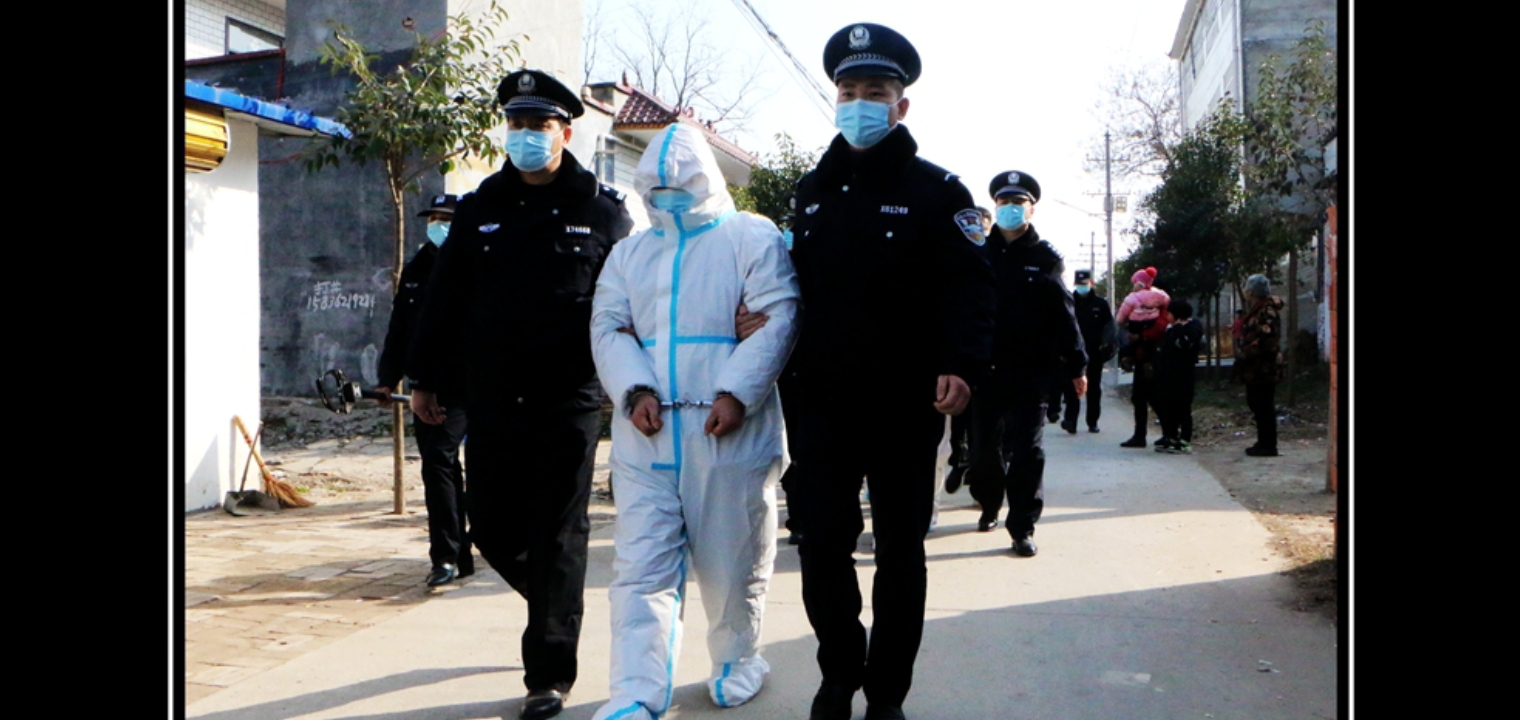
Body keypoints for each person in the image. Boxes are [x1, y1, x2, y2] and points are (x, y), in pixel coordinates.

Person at [406, 69, 634, 720]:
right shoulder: (481, 208)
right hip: (493, 396)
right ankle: (556, 601)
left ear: (566, 133)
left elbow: (636, 301)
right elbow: (444, 300)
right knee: (490, 527)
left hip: (568, 400)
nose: (526, 135)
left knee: (559, 533)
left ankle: (549, 675)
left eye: (539, 124)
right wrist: (425, 379)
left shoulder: (603, 211)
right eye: (516, 123)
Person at [787, 23, 995, 720]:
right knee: (821, 544)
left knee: (900, 552)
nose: (859, 103)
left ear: (900, 105)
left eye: (874, 91)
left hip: (906, 402)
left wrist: (961, 365)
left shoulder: (938, 191)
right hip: (822, 401)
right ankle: (838, 673)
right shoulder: (812, 192)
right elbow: (792, 285)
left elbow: (970, 288)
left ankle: (886, 694)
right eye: (848, 91)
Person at [588, 123, 800, 720]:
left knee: (733, 564)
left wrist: (736, 393)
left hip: (729, 435)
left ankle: (738, 660)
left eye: (681, 187)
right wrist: (634, 390)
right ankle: (636, 691)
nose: (670, 199)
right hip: (646, 439)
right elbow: (607, 326)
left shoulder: (749, 237)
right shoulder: (630, 253)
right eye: (658, 190)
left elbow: (778, 317)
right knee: (640, 570)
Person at [966, 170, 1086, 557]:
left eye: (1018, 203)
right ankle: (988, 503)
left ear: (1031, 210)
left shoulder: (1045, 258)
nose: (1010, 209)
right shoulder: (977, 253)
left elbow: (1064, 316)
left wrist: (1077, 365)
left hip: (1031, 371)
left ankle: (1022, 526)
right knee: (983, 451)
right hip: (985, 369)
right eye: (1004, 202)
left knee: (1027, 451)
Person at [375, 193, 472, 588]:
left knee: (440, 461)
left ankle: (450, 554)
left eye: (445, 218)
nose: (438, 225)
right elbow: (400, 329)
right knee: (440, 467)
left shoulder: (473, 264)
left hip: (464, 386)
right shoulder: (417, 268)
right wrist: (388, 378)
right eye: (433, 218)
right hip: (422, 388)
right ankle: (454, 555)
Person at [1055, 269, 1116, 433]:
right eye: (1079, 284)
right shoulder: (1068, 301)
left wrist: (1106, 347)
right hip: (1072, 353)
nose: (1082, 287)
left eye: (1085, 284)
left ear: (1091, 283)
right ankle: (1070, 420)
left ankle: (1092, 421)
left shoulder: (1100, 304)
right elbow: (1060, 326)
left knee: (1093, 388)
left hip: (1094, 352)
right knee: (1071, 388)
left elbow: (1109, 327)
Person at [1234, 274, 1286, 457]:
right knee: (1256, 403)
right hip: (1255, 367)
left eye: (1247, 289)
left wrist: (1247, 351)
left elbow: (1266, 338)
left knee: (1263, 404)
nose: (1246, 292)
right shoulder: (1257, 310)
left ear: (1252, 291)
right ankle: (1263, 441)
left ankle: (1268, 444)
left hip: (1264, 366)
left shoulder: (1266, 311)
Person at [1153, 299, 1203, 454]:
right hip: (1168, 375)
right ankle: (1171, 436)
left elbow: (1184, 345)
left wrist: (1179, 328)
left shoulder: (1192, 327)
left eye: (1169, 313)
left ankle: (1185, 440)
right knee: (1168, 406)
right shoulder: (1170, 329)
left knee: (1183, 407)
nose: (1167, 316)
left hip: (1183, 375)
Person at [1116, 267, 1170, 369]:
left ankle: (1128, 357)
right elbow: (1166, 300)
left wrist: (1120, 321)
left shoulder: (1132, 297)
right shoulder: (1159, 294)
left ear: (1139, 284)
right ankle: (1148, 362)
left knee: (1133, 341)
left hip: (1135, 324)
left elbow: (1123, 313)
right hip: (1151, 322)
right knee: (1149, 344)